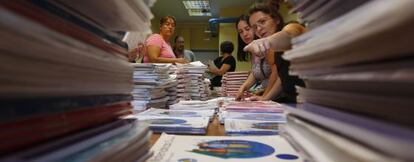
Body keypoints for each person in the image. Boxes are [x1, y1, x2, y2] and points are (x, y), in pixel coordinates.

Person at [244, 2, 307, 103]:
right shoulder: (274, 50)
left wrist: (265, 42)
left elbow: (292, 33)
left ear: (276, 19)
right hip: (293, 101)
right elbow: (281, 79)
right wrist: (265, 98)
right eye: (255, 27)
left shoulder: (291, 26)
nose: (259, 29)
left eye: (263, 21)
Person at [234, 14, 271, 101]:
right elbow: (255, 73)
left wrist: (265, 95)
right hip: (268, 96)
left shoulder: (267, 46)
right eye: (241, 32)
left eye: (247, 29)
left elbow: (276, 75)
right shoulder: (253, 50)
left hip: (278, 97)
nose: (245, 34)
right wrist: (242, 88)